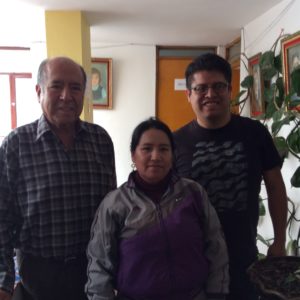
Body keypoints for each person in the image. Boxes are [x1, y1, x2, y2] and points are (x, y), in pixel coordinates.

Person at [0, 57, 117, 300]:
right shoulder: (16, 144)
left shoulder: (101, 140)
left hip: (91, 275)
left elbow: (110, 214)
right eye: (56, 86)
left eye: (75, 88)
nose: (66, 95)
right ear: (39, 91)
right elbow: (2, 221)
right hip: (38, 277)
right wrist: (3, 281)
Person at [173, 53, 287, 300]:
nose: (210, 94)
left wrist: (279, 240)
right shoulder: (175, 142)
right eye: (201, 88)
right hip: (191, 257)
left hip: (243, 256)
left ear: (230, 90)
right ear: (188, 94)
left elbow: (275, 187)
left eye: (218, 86)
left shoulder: (254, 133)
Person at [86, 117, 229, 300]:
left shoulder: (193, 193)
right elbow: (99, 265)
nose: (156, 156)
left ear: (172, 155)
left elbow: (216, 246)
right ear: (133, 155)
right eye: (147, 149)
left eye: (164, 149)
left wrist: (217, 293)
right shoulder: (115, 204)